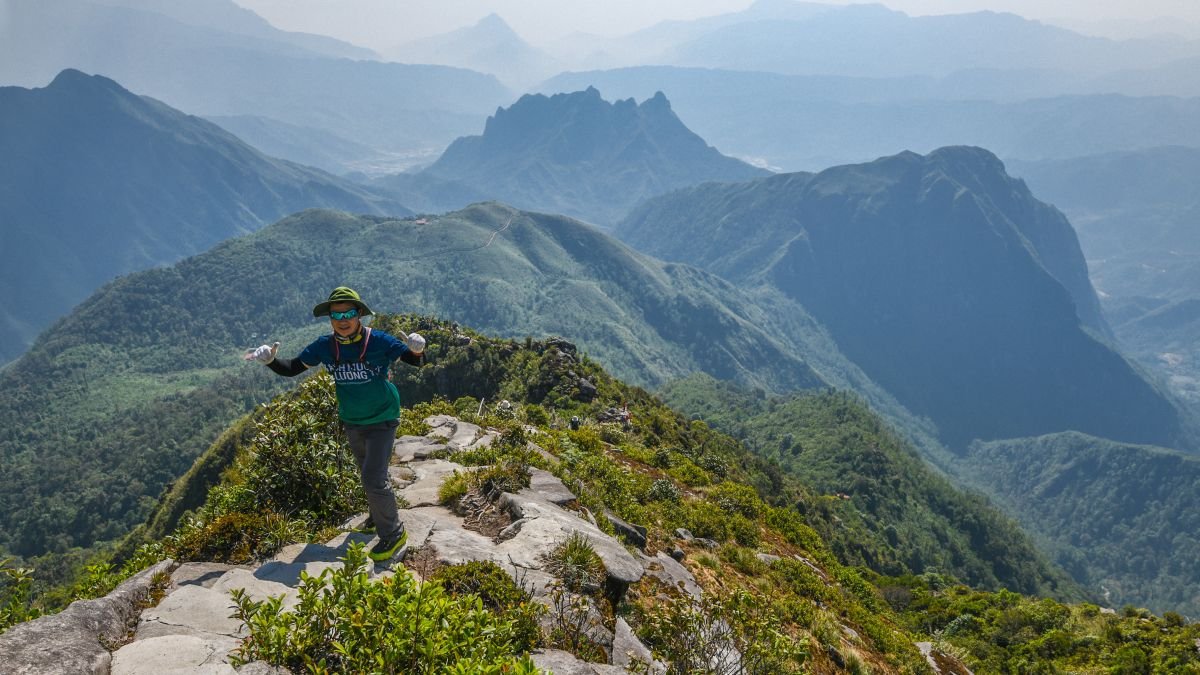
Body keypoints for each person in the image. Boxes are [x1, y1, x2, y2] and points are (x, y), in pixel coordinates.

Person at [246, 287, 425, 562]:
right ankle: (379, 516)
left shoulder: (378, 341)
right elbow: (293, 367)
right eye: (336, 314)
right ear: (330, 318)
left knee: (373, 478)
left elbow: (415, 362)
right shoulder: (324, 346)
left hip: (382, 418)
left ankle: (393, 533)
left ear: (360, 315)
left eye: (350, 313)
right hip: (352, 420)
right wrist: (270, 361)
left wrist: (417, 350)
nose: (343, 319)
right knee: (367, 473)